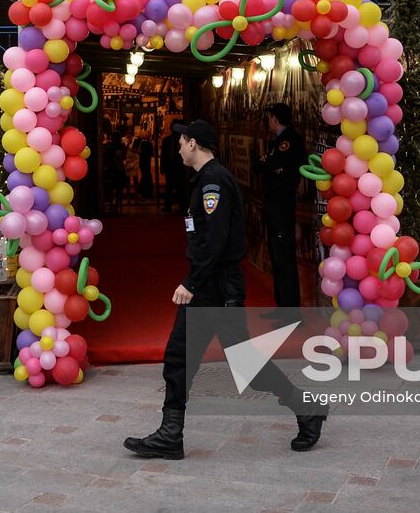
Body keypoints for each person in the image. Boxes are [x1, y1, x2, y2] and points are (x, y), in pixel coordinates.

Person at [123, 120, 325, 460]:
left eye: (181, 141)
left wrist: (191, 282)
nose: (178, 147)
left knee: (187, 357)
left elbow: (214, 241)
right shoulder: (207, 179)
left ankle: (306, 411)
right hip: (214, 284)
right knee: (192, 358)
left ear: (193, 144)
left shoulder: (213, 181)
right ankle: (305, 411)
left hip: (214, 286)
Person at [254, 103, 306, 308]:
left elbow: (267, 164)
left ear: (275, 119)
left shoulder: (289, 141)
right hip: (275, 204)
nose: (269, 123)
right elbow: (261, 165)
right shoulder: (279, 141)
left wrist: (268, 165)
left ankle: (290, 309)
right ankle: (282, 305)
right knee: (277, 256)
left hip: (282, 205)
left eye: (270, 119)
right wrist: (267, 165)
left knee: (284, 257)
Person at [160, 120, 185, 214]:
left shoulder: (183, 140)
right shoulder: (166, 140)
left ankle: (181, 206)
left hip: (179, 166)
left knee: (179, 187)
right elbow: (163, 155)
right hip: (170, 166)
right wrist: (163, 167)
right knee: (169, 187)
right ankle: (168, 206)